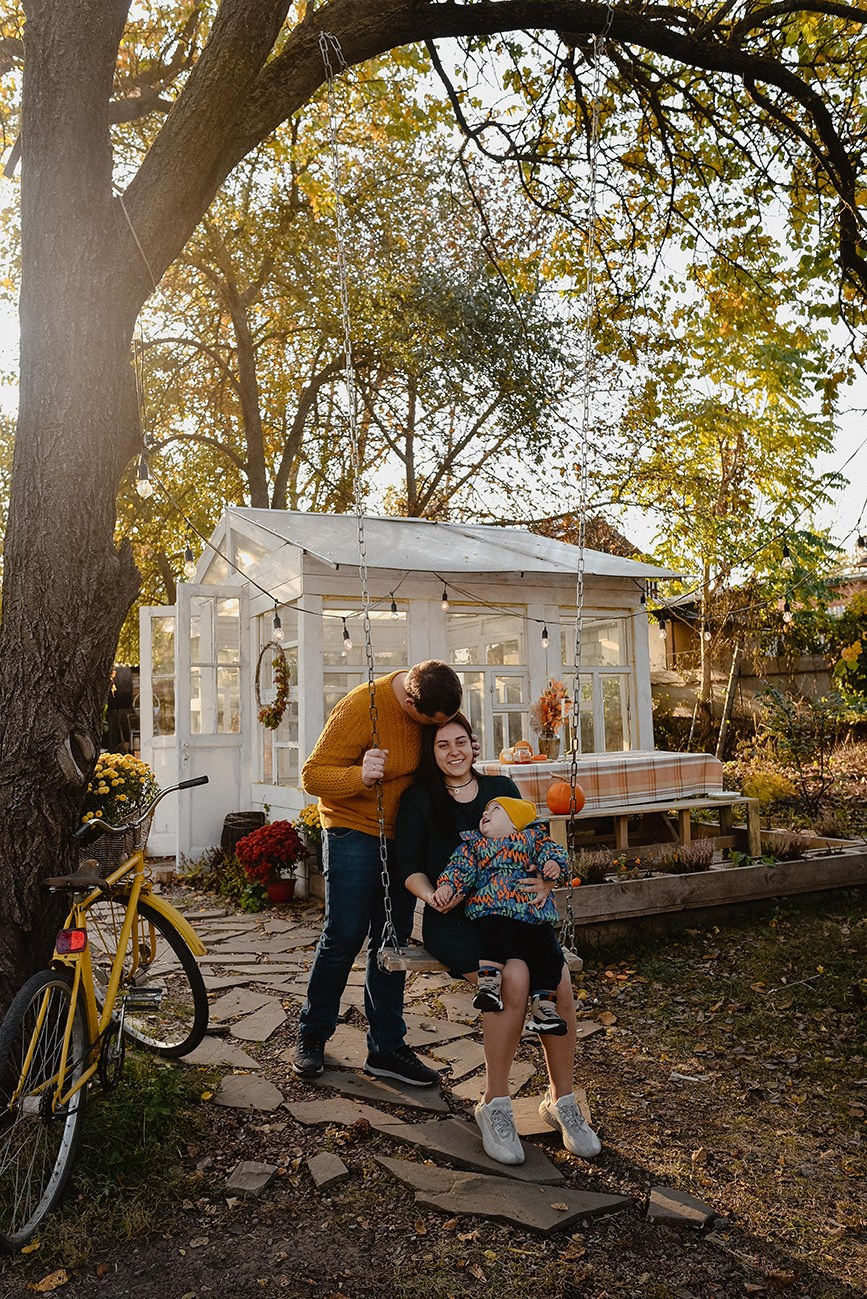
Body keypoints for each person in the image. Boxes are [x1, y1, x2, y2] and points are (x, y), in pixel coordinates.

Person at [394, 714, 601, 1166]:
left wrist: (546, 881)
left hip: (516, 912)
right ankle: (495, 1104)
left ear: (473, 744)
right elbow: (408, 867)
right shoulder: (420, 799)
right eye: (443, 745)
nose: (454, 752)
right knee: (514, 977)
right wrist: (433, 896)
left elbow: (533, 841)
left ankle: (562, 1101)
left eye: (461, 741)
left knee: (559, 979)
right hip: (456, 919)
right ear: (431, 752)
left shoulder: (500, 787)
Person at [293, 660, 462, 1086]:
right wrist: (359, 775)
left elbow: (444, 751)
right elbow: (312, 775)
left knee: (392, 940)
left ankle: (386, 1048)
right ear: (411, 703)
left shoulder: (436, 701)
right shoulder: (361, 706)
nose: (435, 728)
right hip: (353, 828)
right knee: (345, 934)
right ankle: (313, 1034)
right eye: (431, 723)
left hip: (403, 835)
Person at [433, 796, 569, 1036]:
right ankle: (488, 986)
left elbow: (554, 852)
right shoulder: (475, 845)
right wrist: (448, 886)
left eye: (495, 810)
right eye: (485, 811)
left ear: (516, 824)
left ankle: (544, 1008)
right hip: (493, 908)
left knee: (549, 953)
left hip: (533, 915)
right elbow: (459, 868)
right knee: (492, 935)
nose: (485, 814)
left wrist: (553, 865)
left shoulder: (533, 838)